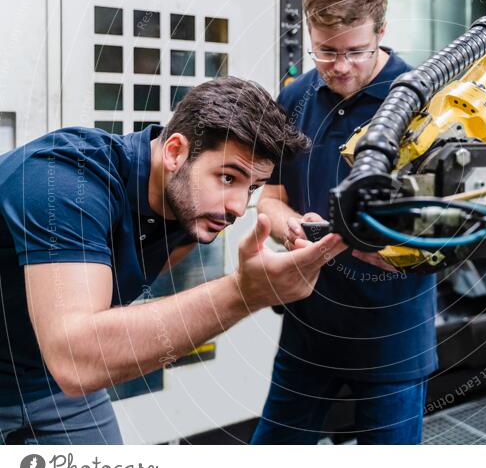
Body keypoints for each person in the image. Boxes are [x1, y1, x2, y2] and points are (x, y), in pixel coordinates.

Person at [0, 76, 346, 444]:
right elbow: (76, 358)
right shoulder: (64, 183)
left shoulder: (186, 208)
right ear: (175, 152)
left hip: (48, 384)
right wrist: (244, 292)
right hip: (60, 369)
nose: (237, 206)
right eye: (228, 177)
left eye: (253, 187)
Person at [251, 0, 437, 445]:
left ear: (380, 29)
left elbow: (449, 224)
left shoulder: (424, 104)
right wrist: (291, 224)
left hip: (391, 336)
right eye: (325, 52)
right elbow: (270, 195)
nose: (339, 67)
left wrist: (399, 249)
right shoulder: (295, 98)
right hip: (308, 329)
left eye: (354, 51)